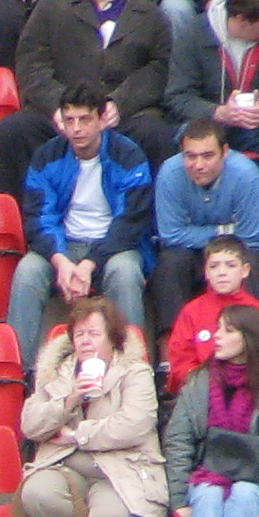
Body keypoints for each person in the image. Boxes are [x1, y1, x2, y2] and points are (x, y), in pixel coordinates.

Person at [0, 0, 177, 198]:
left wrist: (120, 103)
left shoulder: (151, 16)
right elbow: (31, 64)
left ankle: (149, 231)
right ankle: (14, 227)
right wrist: (59, 107)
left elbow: (158, 68)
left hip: (122, 117)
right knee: (14, 130)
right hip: (61, 113)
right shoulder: (50, 7)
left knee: (157, 134)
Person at [164, 0, 259, 245]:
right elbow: (177, 97)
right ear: (240, 20)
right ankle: (190, 220)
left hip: (254, 128)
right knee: (183, 135)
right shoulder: (194, 34)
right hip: (209, 126)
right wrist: (218, 113)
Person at [11, 96, 155, 359]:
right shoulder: (46, 156)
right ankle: (17, 371)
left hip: (114, 247)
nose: (76, 128)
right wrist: (61, 261)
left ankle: (134, 366)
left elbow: (130, 222)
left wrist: (90, 263)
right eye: (69, 121)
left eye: (84, 119)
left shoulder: (129, 156)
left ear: (102, 120)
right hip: (65, 245)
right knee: (28, 271)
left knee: (125, 273)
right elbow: (38, 218)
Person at [18, 296, 166, 517]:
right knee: (38, 493)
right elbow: (30, 425)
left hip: (119, 469)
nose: (85, 341)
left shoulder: (135, 372)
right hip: (62, 465)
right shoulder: (55, 371)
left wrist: (77, 436)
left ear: (112, 338)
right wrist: (69, 400)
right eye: (79, 334)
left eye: (94, 334)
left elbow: (134, 425)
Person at [163, 300, 259, 517]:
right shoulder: (198, 381)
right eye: (217, 329)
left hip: (256, 480)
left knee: (244, 493)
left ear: (249, 337)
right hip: (205, 476)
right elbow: (179, 440)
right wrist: (178, 500)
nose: (217, 336)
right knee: (208, 494)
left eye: (227, 331)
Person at [150, 121, 259, 316]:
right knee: (170, 261)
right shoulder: (170, 173)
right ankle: (171, 338)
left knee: (250, 262)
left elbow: (253, 237)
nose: (198, 165)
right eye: (190, 156)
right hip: (193, 252)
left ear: (224, 152)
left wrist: (200, 237)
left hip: (242, 249)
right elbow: (170, 234)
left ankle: (257, 336)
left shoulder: (247, 175)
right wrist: (223, 231)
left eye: (208, 156)